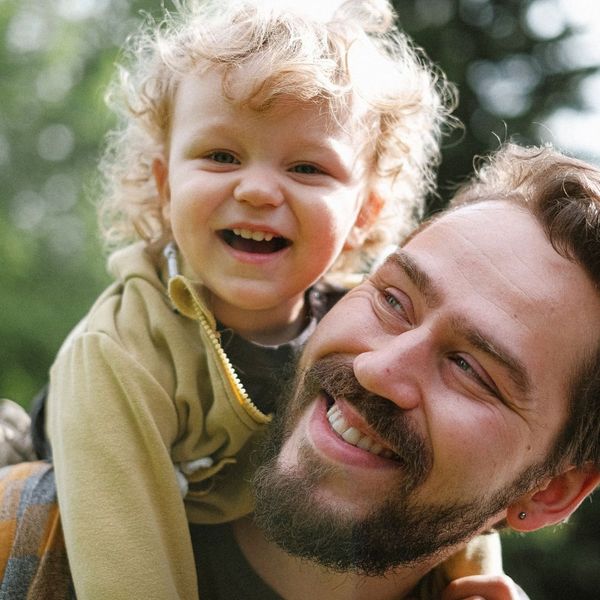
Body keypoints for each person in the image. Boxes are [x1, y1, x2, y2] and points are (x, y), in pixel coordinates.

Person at [6, 1, 479, 599]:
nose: (256, 190)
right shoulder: (119, 352)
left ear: (365, 214)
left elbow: (447, 460)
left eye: (307, 167)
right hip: (73, 498)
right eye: (221, 156)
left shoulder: (364, 333)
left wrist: (474, 577)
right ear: (164, 183)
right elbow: (128, 577)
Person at [4, 142, 598, 599]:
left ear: (550, 492)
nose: (376, 370)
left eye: (472, 369)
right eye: (393, 300)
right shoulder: (19, 545)